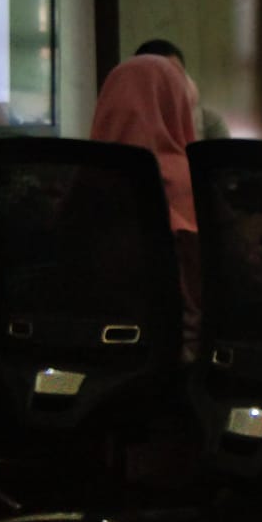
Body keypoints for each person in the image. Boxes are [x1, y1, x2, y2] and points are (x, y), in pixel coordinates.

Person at [90, 54, 200, 356]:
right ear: (176, 106)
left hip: (90, 350)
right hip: (175, 355)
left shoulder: (83, 176)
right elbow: (232, 271)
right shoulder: (190, 181)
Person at [133, 38, 231, 141]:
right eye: (162, 76)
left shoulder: (207, 123)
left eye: (176, 74)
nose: (171, 83)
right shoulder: (128, 124)